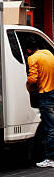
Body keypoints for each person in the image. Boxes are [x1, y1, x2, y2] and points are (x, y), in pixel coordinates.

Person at [25, 37, 54, 168]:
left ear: (29, 50)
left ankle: (51, 158)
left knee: (49, 128)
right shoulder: (48, 53)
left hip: (45, 94)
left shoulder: (32, 58)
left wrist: (28, 85)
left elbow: (33, 78)